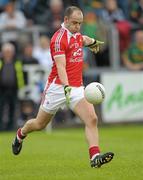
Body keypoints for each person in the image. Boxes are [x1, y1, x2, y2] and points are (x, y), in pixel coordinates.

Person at [12, 6, 114, 168]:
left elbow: (83, 38)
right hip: (58, 87)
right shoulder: (58, 39)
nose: (77, 27)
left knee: (92, 119)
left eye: (80, 23)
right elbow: (60, 66)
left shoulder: (76, 34)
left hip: (77, 88)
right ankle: (20, 134)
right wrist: (66, 87)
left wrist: (92, 42)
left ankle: (94, 156)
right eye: (74, 23)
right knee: (39, 124)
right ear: (65, 20)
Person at [0, 42, 25, 131]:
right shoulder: (1, 61)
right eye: (6, 52)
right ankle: (1, 127)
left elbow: (21, 75)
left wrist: (21, 86)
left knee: (12, 108)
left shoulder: (17, 62)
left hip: (13, 89)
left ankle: (10, 127)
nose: (8, 53)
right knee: (1, 108)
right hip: (2, 89)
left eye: (9, 51)